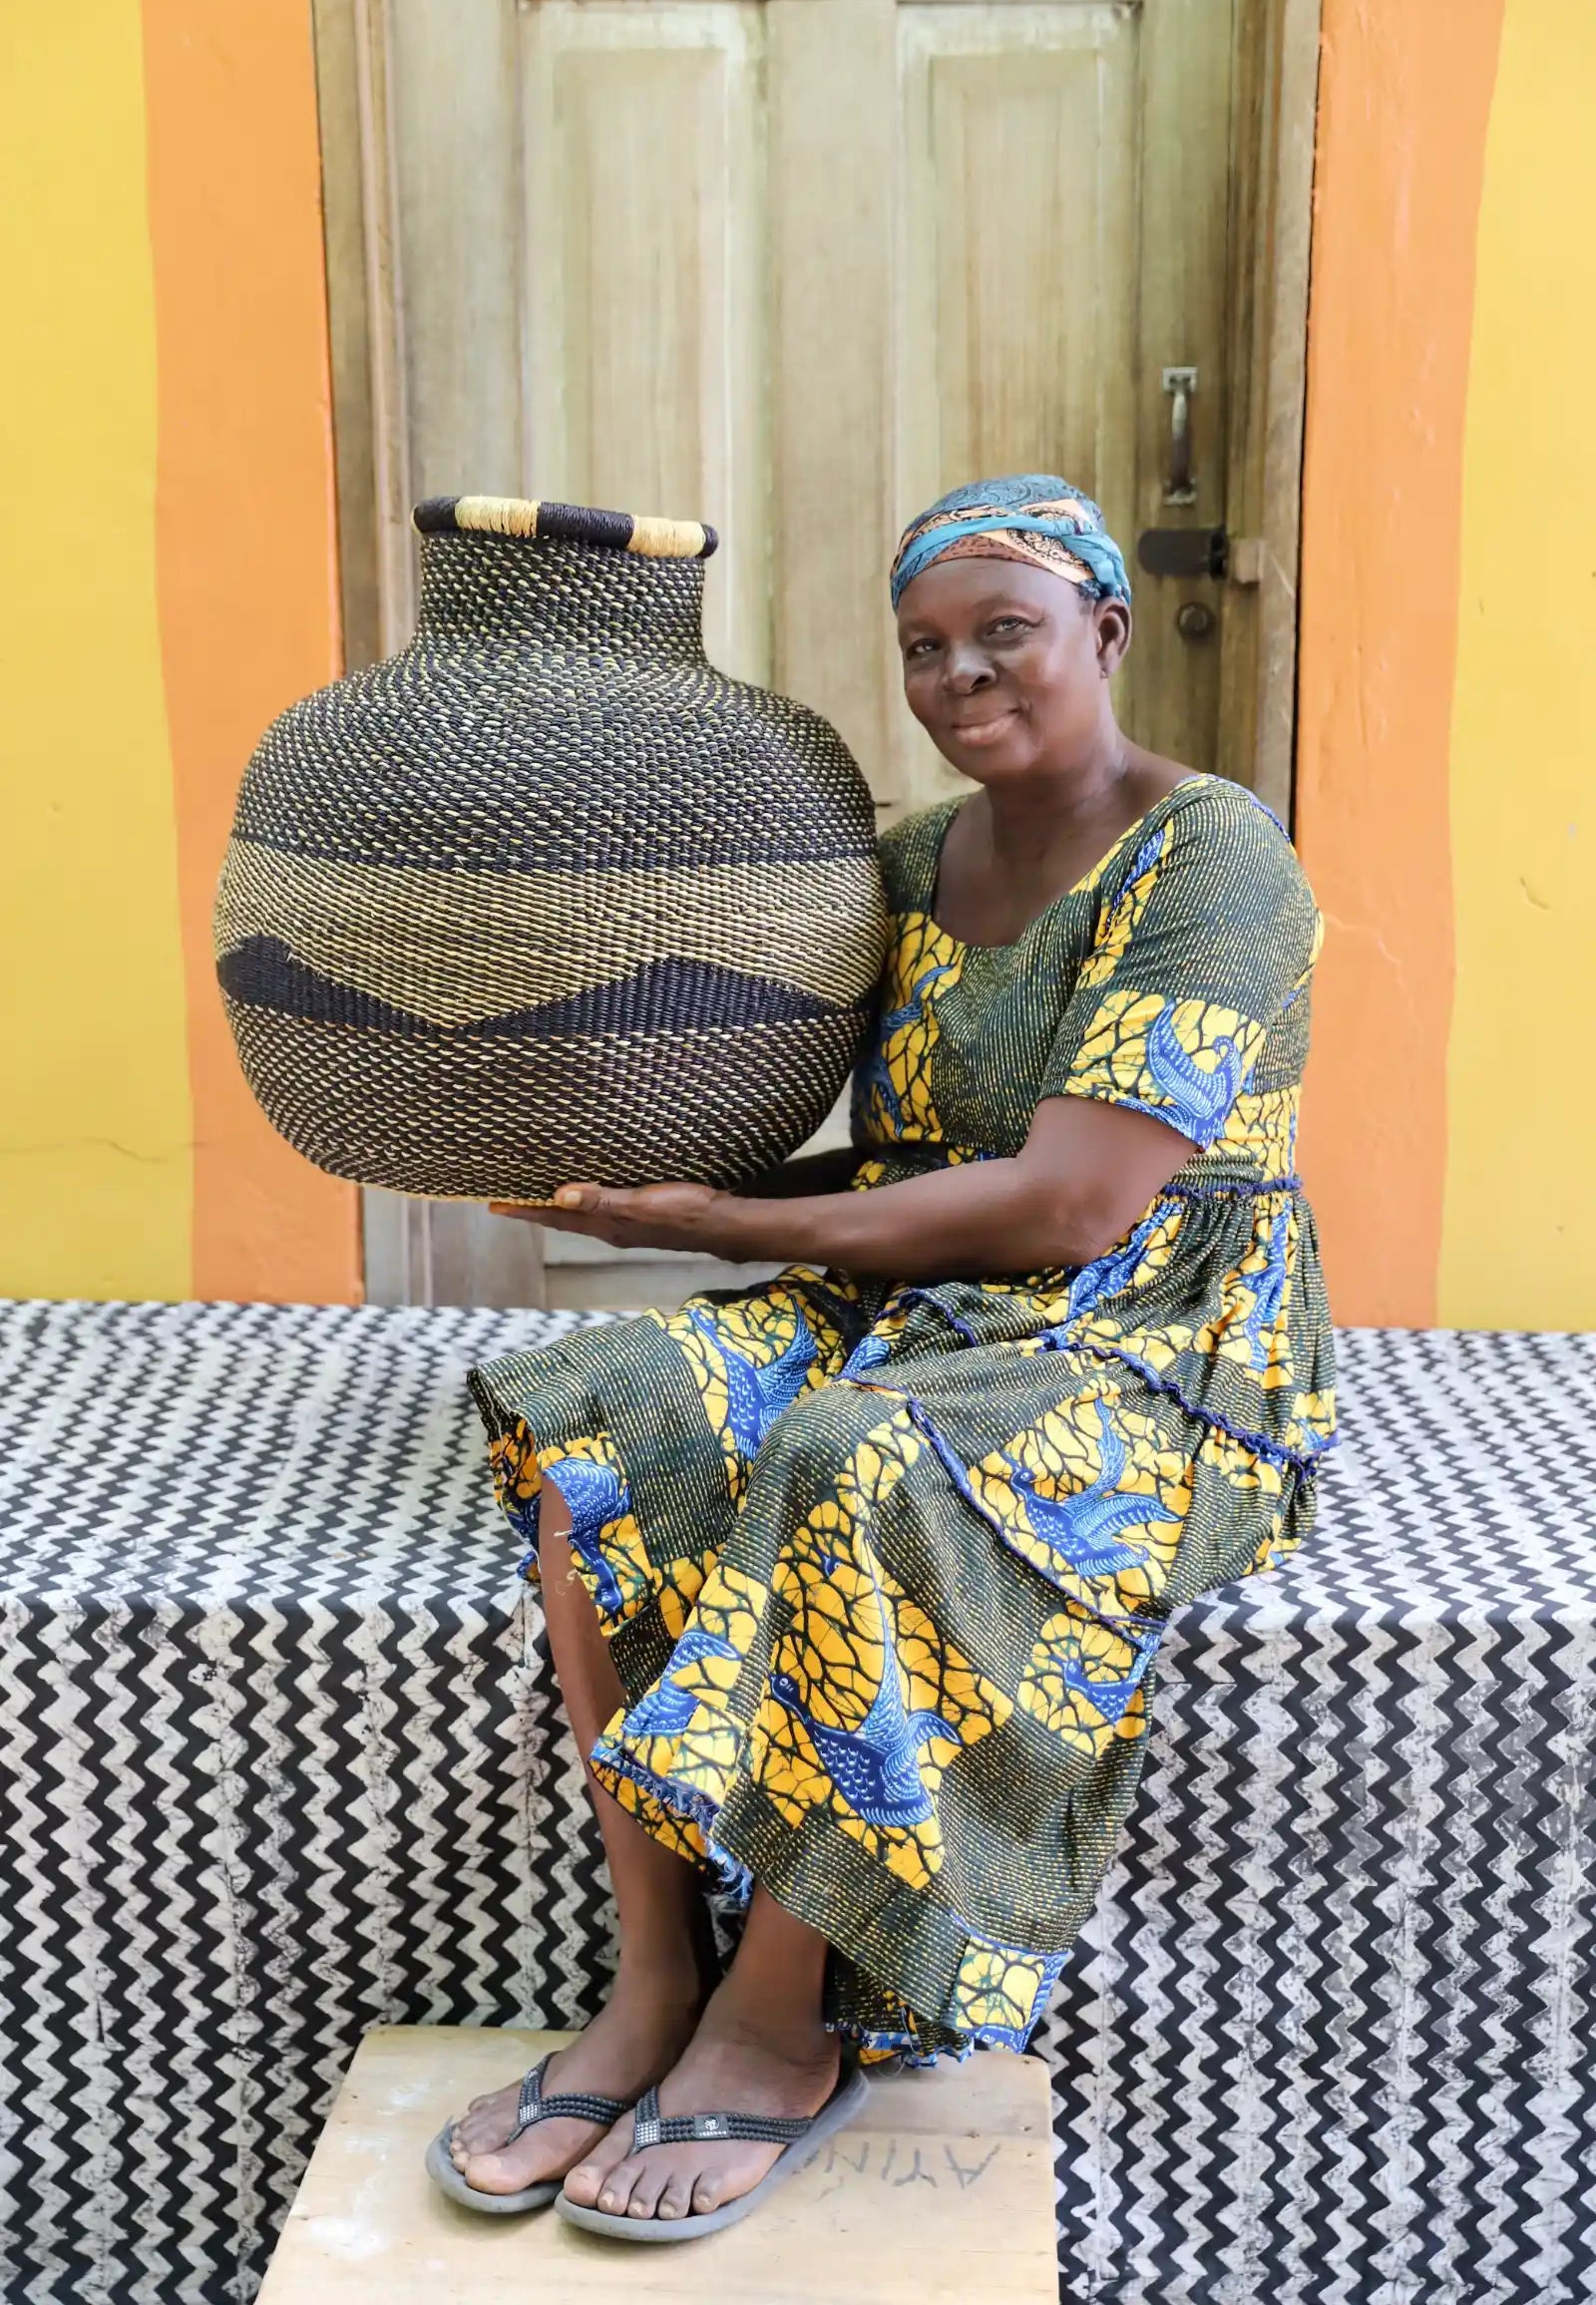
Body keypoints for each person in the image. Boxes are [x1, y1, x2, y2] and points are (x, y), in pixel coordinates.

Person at [429, 475, 1337, 2242]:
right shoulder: (912, 862)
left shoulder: (1215, 856)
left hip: (1154, 1329)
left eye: (1006, 631)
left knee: (857, 1456)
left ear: (1106, 632)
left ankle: (782, 2024)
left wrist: (722, 1228)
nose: (959, 674)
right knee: (609, 1410)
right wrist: (661, 1185)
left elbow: (1075, 1200)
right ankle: (654, 1982)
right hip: (925, 1294)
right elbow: (901, 1161)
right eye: (925, 647)